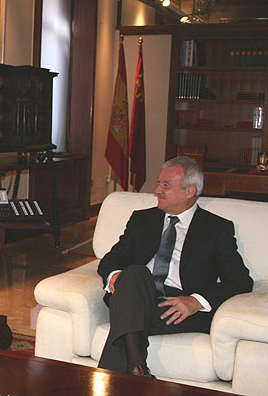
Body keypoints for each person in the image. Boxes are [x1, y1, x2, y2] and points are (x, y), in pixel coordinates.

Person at [97, 156, 253, 378]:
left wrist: (195, 301)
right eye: (159, 183)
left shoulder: (216, 229)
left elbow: (240, 280)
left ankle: (128, 372)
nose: (157, 190)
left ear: (189, 191)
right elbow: (112, 259)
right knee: (134, 274)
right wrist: (114, 275)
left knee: (128, 312)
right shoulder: (143, 219)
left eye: (165, 185)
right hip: (137, 291)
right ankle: (136, 370)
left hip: (177, 306)